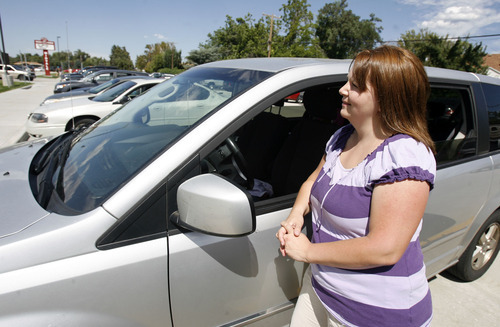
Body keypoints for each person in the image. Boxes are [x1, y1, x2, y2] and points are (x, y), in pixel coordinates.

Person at [276, 45, 437, 327]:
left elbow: (385, 249)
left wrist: (308, 252)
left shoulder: (404, 156)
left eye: (356, 85)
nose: (342, 89)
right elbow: (312, 180)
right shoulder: (341, 137)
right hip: (321, 288)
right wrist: (295, 215)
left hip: (372, 313)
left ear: (388, 98)